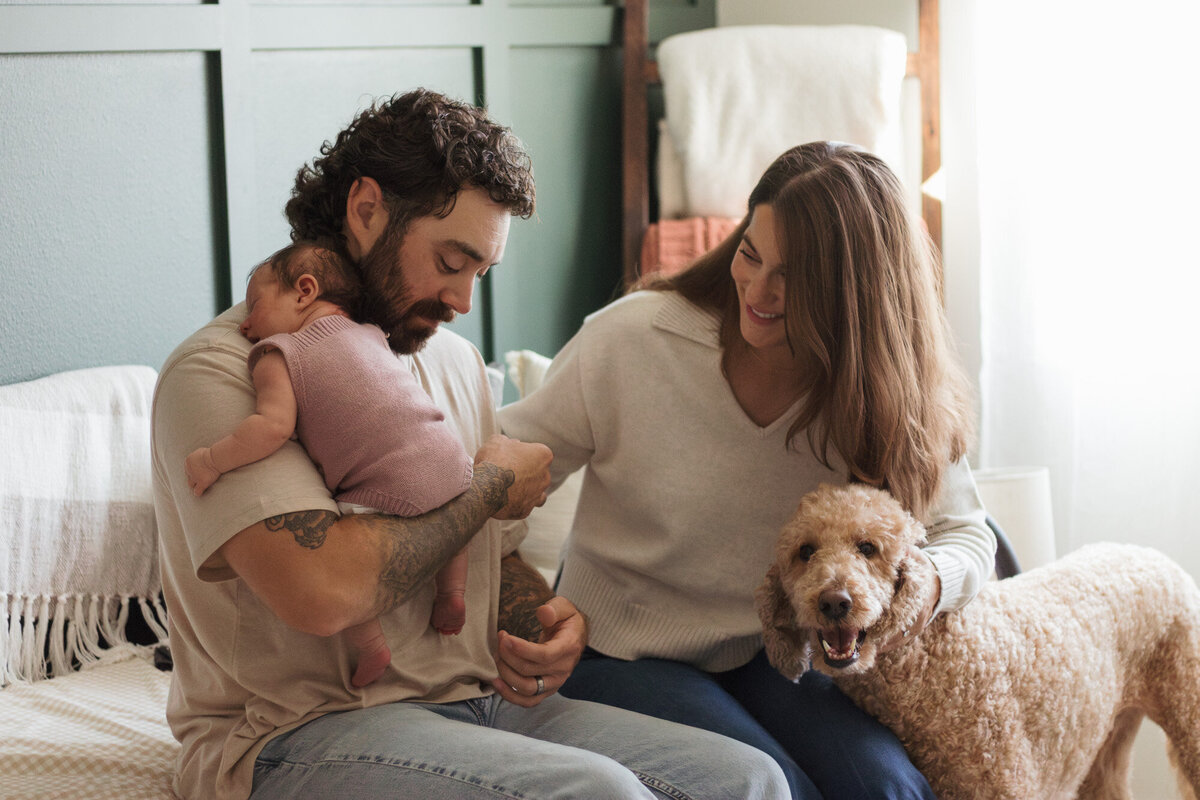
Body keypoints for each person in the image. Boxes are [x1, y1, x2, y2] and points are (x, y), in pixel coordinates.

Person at [151, 87, 789, 800]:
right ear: (366, 208)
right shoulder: (229, 368)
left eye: (480, 274)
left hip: (479, 705)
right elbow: (321, 593)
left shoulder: (450, 362)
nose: (461, 301)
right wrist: (487, 487)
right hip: (290, 734)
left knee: (747, 779)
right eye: (451, 262)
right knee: (597, 794)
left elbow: (494, 553)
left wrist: (541, 622)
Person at [498, 141, 997, 800]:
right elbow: (498, 479)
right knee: (776, 789)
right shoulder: (632, 341)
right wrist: (528, 609)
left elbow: (969, 534)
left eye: (793, 277)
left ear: (858, 297)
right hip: (620, 654)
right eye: (750, 254)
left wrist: (926, 584)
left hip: (778, 657)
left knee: (890, 790)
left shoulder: (886, 391)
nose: (758, 292)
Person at [183, 241, 476, 690]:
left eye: (254, 306)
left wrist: (212, 460)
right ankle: (452, 593)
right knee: (453, 516)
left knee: (347, 554)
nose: (244, 324)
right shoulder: (373, 334)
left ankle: (372, 643)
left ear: (304, 291)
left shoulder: (279, 352)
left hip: (383, 486)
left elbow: (272, 427)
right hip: (449, 458)